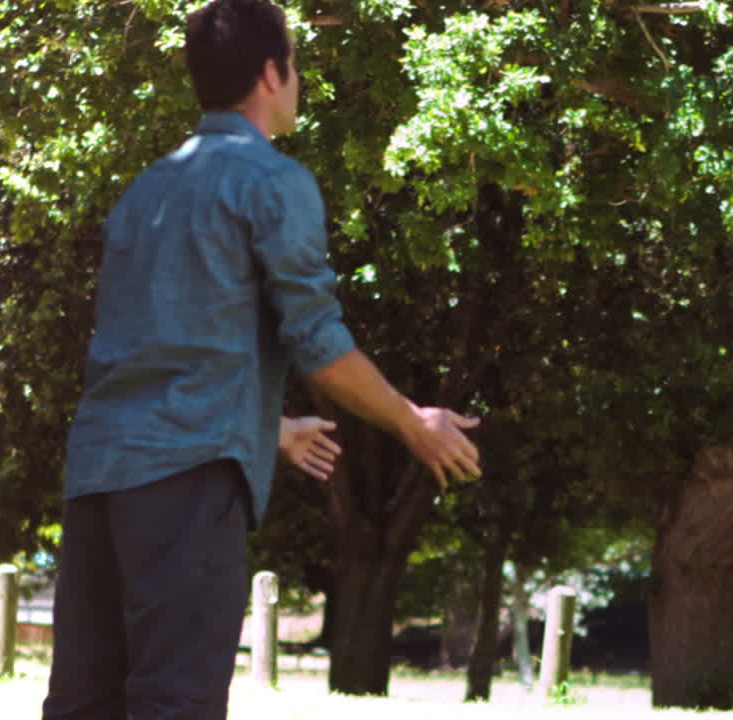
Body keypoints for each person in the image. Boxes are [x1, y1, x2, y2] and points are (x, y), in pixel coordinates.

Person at [41, 1, 480, 718]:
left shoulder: (143, 192)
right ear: (273, 74)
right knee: (173, 701)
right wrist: (411, 421)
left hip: (97, 480)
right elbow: (318, 343)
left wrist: (266, 426)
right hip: (187, 480)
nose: (299, 81)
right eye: (297, 66)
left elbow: (150, 352)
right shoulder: (271, 181)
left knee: (85, 704)